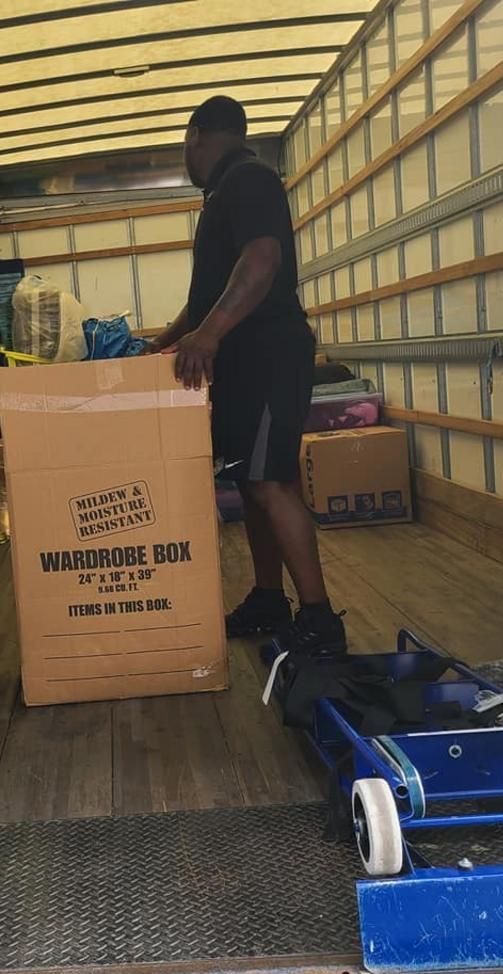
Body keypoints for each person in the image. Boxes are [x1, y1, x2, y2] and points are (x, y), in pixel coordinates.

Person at [150, 95, 347, 656]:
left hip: (266, 357)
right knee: (248, 480)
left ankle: (319, 621)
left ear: (196, 136)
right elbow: (214, 292)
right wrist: (165, 341)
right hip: (241, 364)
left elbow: (261, 262)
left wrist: (209, 336)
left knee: (271, 482)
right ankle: (268, 598)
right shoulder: (224, 194)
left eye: (185, 147)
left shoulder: (249, 179)